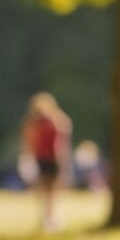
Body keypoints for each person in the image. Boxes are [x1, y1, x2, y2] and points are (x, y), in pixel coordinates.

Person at [23, 92, 73, 230]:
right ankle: (49, 218)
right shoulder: (54, 122)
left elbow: (29, 143)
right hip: (49, 159)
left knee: (45, 190)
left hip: (42, 159)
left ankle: (47, 217)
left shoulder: (34, 124)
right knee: (51, 191)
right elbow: (61, 142)